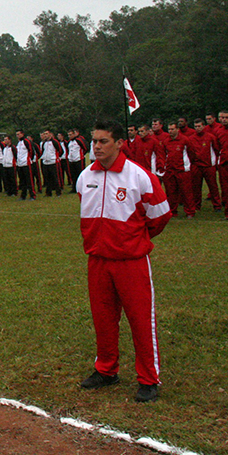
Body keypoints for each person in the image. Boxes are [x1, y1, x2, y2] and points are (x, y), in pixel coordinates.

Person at [75, 120, 171, 403]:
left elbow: (160, 215)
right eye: (94, 141)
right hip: (98, 260)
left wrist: (133, 241)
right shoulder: (85, 177)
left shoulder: (139, 176)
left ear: (119, 143)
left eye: (103, 141)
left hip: (131, 262)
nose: (97, 147)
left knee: (141, 321)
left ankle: (148, 379)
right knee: (103, 319)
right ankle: (106, 370)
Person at [163, 122, 196, 218]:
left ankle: (190, 211)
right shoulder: (166, 141)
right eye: (169, 129)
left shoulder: (185, 140)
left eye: (172, 129)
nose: (171, 131)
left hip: (182, 170)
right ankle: (173, 211)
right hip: (170, 170)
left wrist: (187, 166)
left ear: (177, 129)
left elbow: (191, 153)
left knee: (186, 192)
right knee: (171, 192)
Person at [189, 118, 221, 212]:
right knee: (196, 187)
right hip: (196, 166)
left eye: (199, 126)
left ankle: (217, 205)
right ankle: (197, 205)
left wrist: (214, 164)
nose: (198, 128)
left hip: (208, 166)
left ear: (203, 126)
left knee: (213, 186)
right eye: (196, 126)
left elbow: (216, 149)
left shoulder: (210, 137)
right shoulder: (191, 138)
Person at [39, 130, 62, 197]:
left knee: (55, 177)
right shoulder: (44, 143)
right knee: (47, 178)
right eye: (44, 134)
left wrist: (55, 157)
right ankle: (48, 193)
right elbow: (43, 152)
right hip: (46, 162)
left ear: (50, 134)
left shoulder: (54, 142)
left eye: (47, 134)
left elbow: (60, 150)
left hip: (53, 162)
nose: (45, 135)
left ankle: (58, 192)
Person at [15, 130, 36, 200]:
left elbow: (31, 151)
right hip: (20, 164)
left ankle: (32, 195)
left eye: (19, 134)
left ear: (22, 134)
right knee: (22, 181)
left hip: (26, 163)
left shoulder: (26, 141)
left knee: (29, 180)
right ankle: (23, 195)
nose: (17, 136)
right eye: (16, 134)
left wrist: (30, 159)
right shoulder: (18, 143)